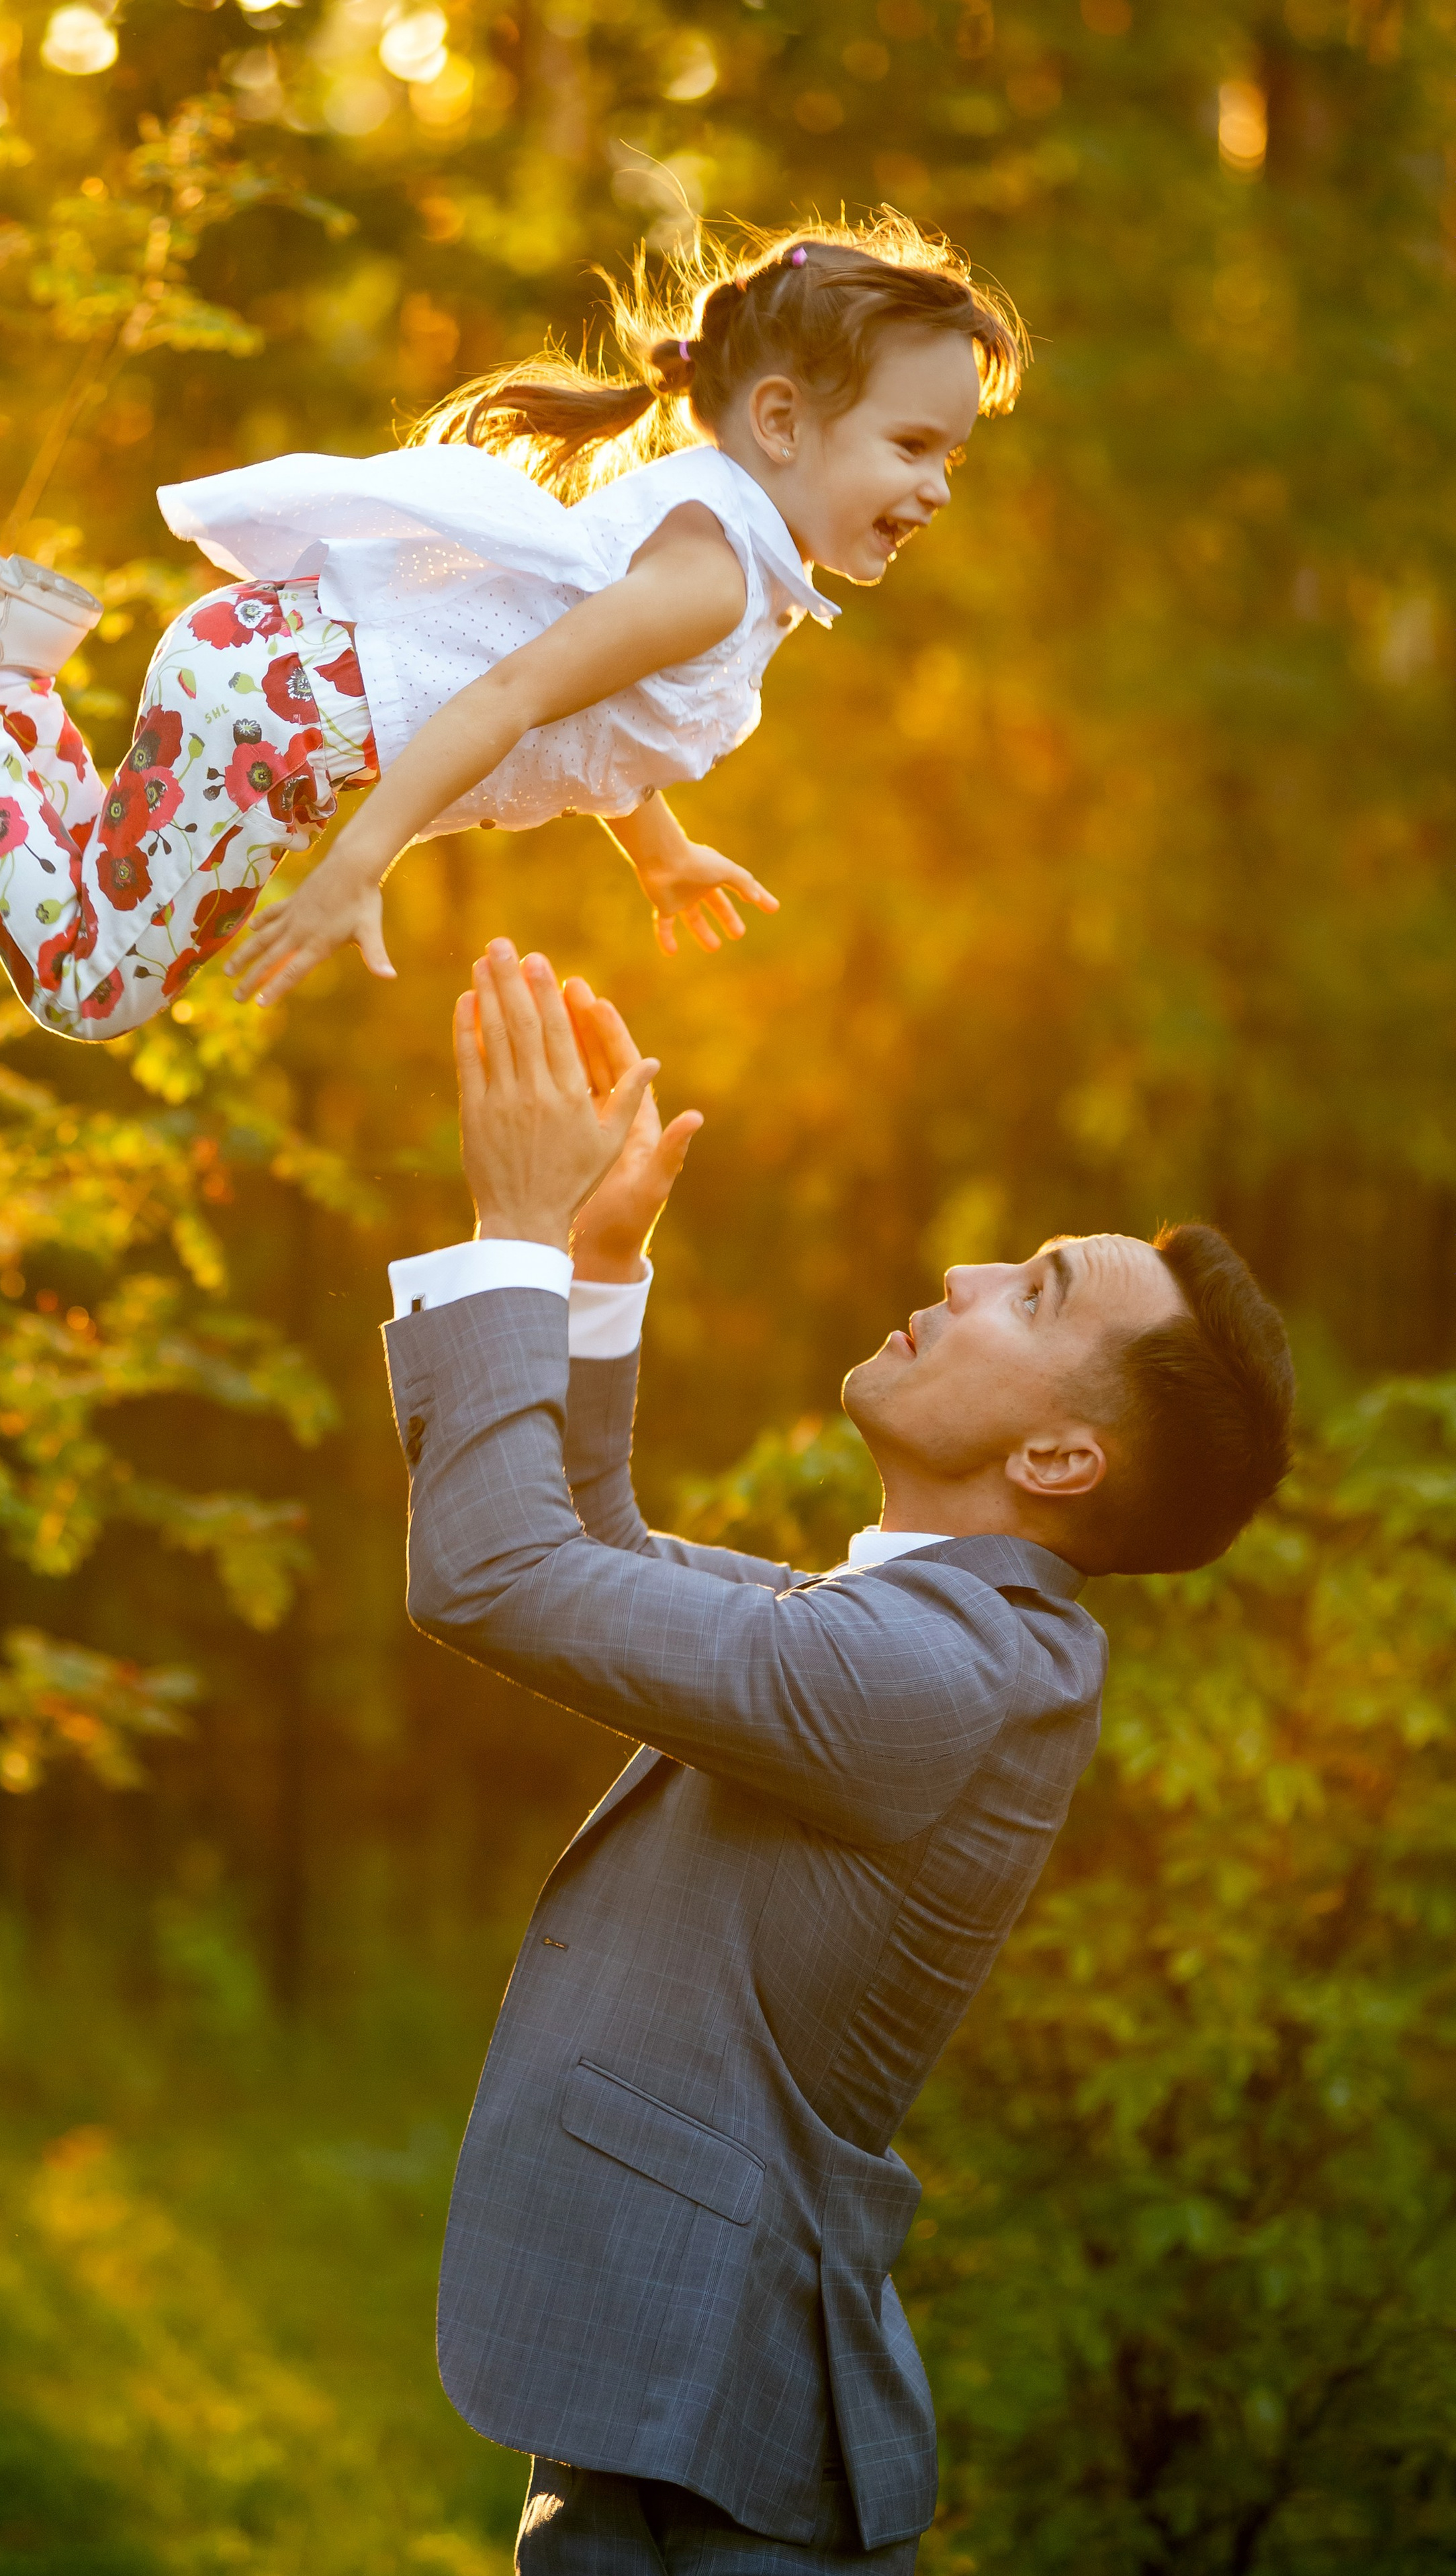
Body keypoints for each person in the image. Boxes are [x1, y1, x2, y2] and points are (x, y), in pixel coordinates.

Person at [383, 941, 1295, 2573]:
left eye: (1034, 1294)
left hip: (728, 2467)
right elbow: (591, 1553)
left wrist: (507, 1233)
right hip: (665, 2412)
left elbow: (496, 1571)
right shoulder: (931, 1637)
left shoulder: (927, 1678)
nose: (961, 1278)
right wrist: (593, 1269)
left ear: (1060, 1453)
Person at [0, 217, 1021, 1040]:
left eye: (952, 455)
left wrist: (659, 853)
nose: (938, 487)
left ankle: (5, 660)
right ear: (784, 420)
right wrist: (352, 871)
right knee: (87, 990)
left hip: (270, 671)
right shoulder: (711, 576)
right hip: (293, 724)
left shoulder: (709, 544)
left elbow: (593, 719)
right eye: (911, 446)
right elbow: (502, 701)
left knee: (95, 887)